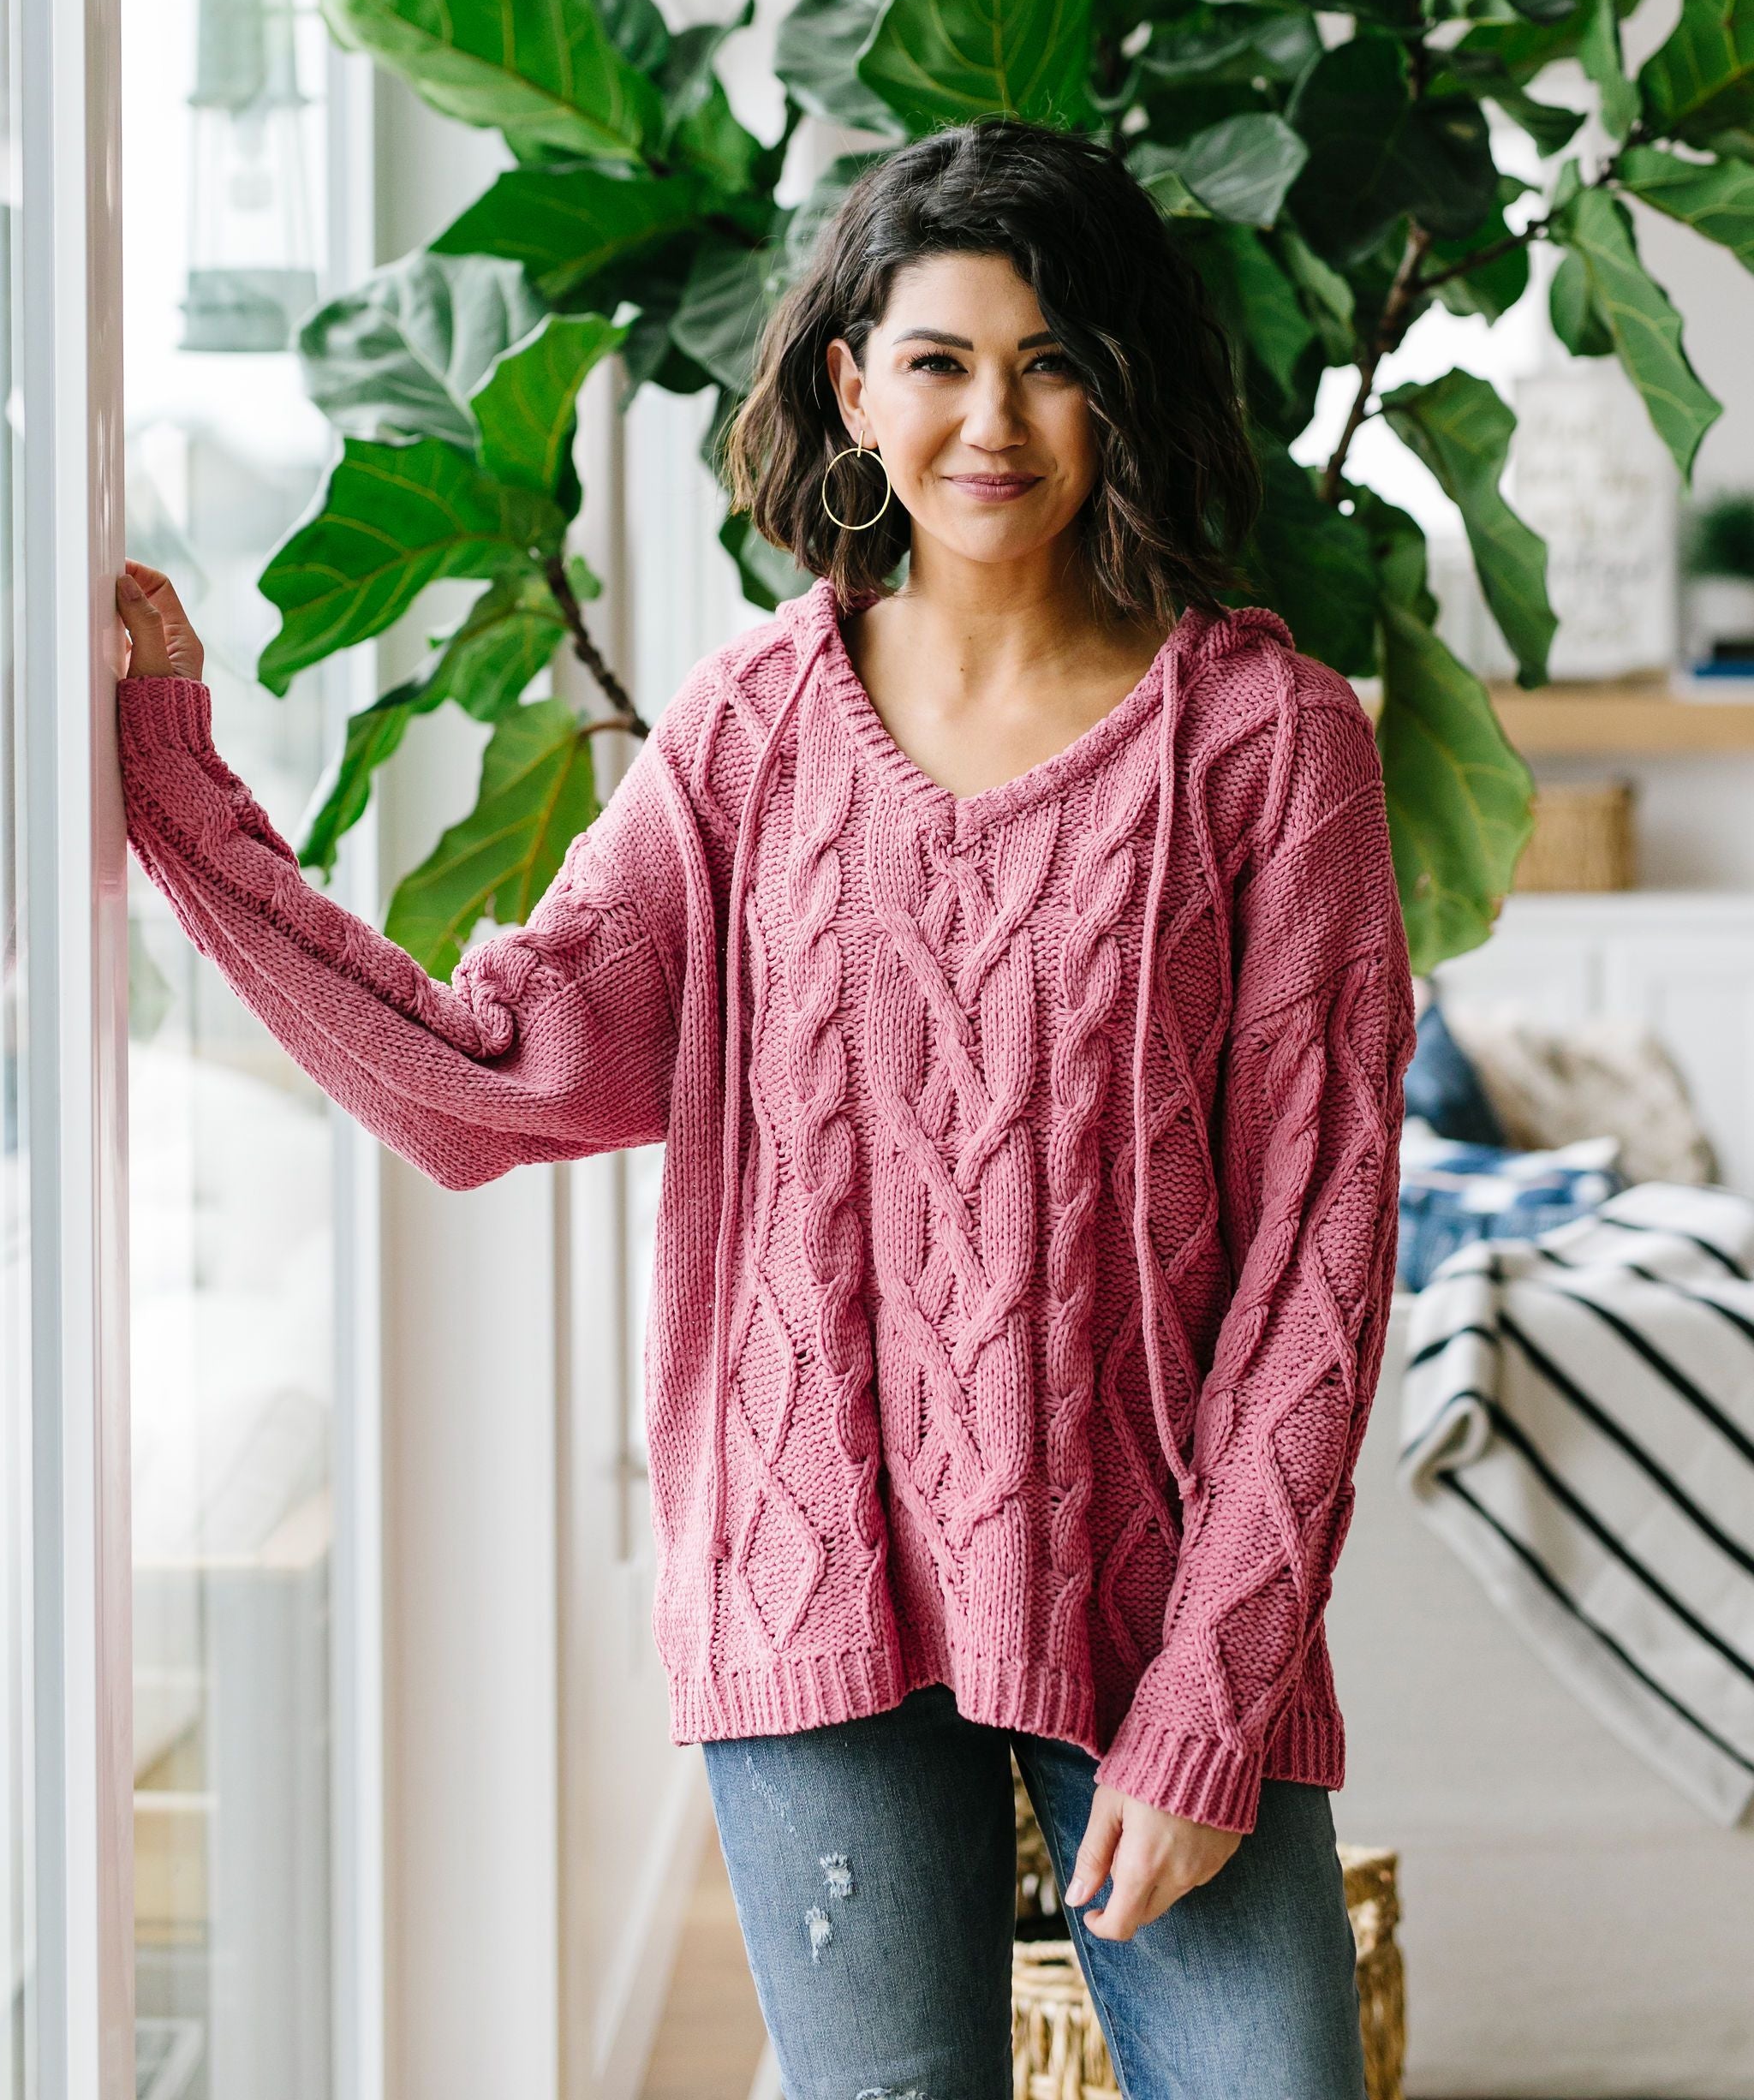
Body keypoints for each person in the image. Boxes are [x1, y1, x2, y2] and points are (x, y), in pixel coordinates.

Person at [116, 117, 1414, 2100]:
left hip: (1161, 1602)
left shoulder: (1266, 746)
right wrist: (177, 798)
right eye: (941, 359)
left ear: (1125, 384)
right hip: (816, 1573)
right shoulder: (746, 736)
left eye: (1055, 360)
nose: (997, 419)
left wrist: (1215, 1700)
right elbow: (496, 1084)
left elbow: (1320, 1262)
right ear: (849, 385)